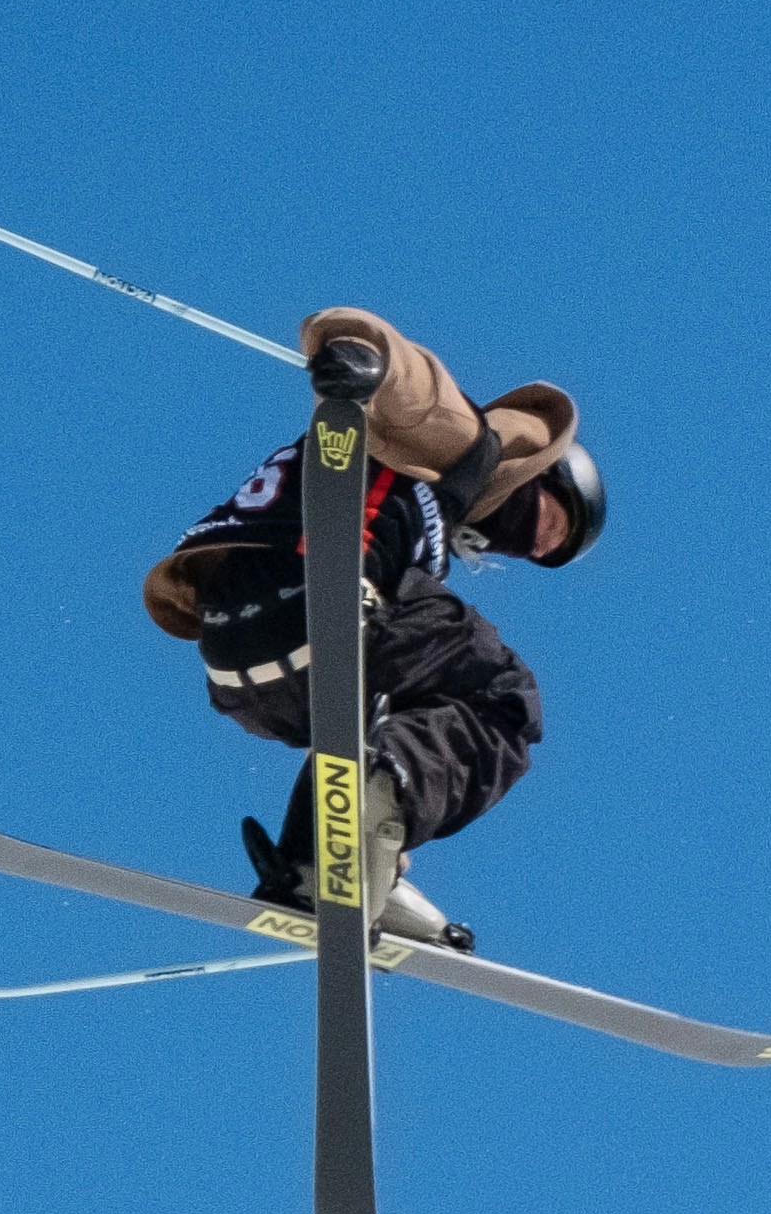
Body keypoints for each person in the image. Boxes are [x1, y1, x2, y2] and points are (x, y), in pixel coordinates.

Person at [143, 308, 609, 914]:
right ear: (539, 475)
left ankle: (322, 865)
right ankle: (378, 821)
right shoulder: (468, 445)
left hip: (239, 662)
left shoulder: (436, 514)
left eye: (543, 553)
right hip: (319, 599)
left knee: (380, 727)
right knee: (504, 699)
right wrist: (363, 358)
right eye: (547, 525)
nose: (530, 546)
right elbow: (408, 376)